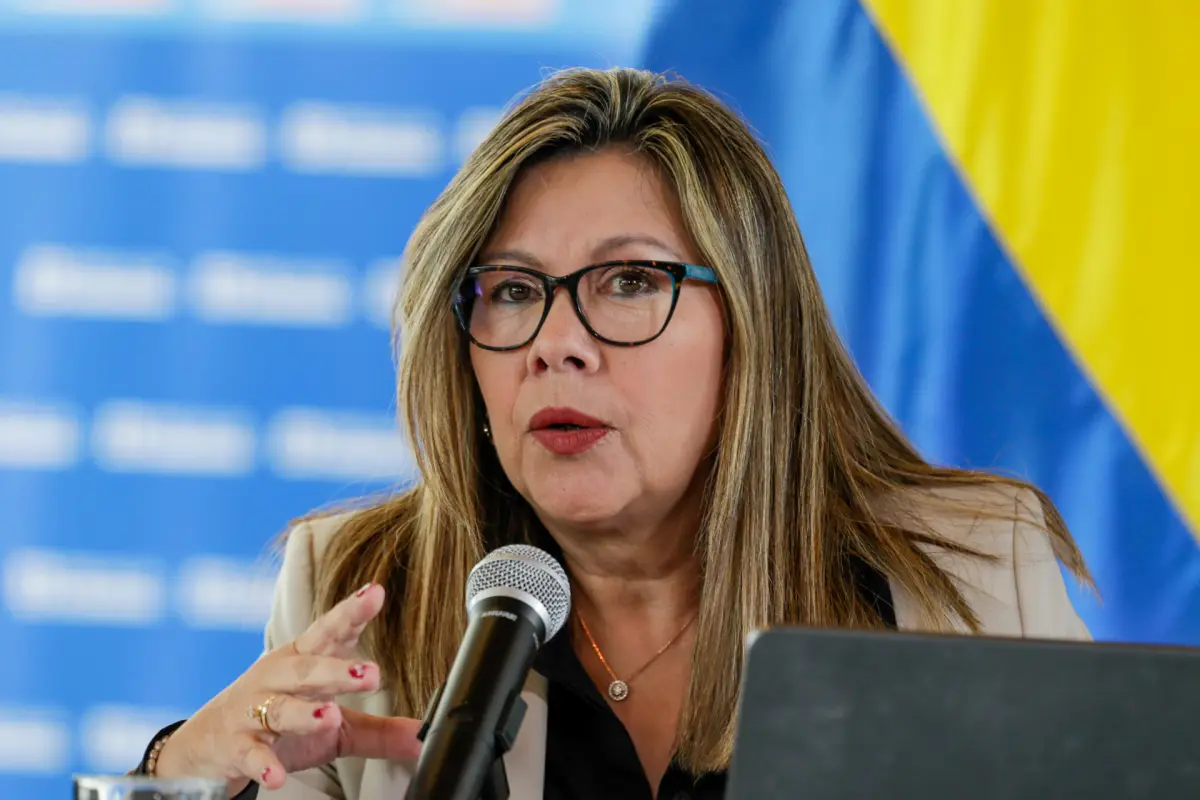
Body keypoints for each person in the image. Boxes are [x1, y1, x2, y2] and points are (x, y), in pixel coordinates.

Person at [133, 67, 1092, 799]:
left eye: (629, 282)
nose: (556, 346)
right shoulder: (358, 594)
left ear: (750, 327)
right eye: (511, 292)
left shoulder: (965, 575)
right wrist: (180, 774)